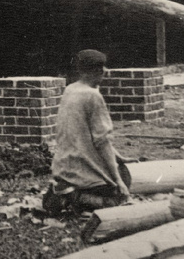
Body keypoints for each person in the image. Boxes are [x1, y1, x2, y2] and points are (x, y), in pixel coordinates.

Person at [44, 49, 130, 215]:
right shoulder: (92, 96)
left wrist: (120, 157)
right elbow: (102, 141)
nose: (105, 71)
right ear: (97, 71)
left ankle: (60, 192)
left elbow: (87, 134)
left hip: (63, 167)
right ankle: (73, 196)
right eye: (102, 67)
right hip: (82, 170)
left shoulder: (70, 89)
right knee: (118, 199)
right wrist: (118, 181)